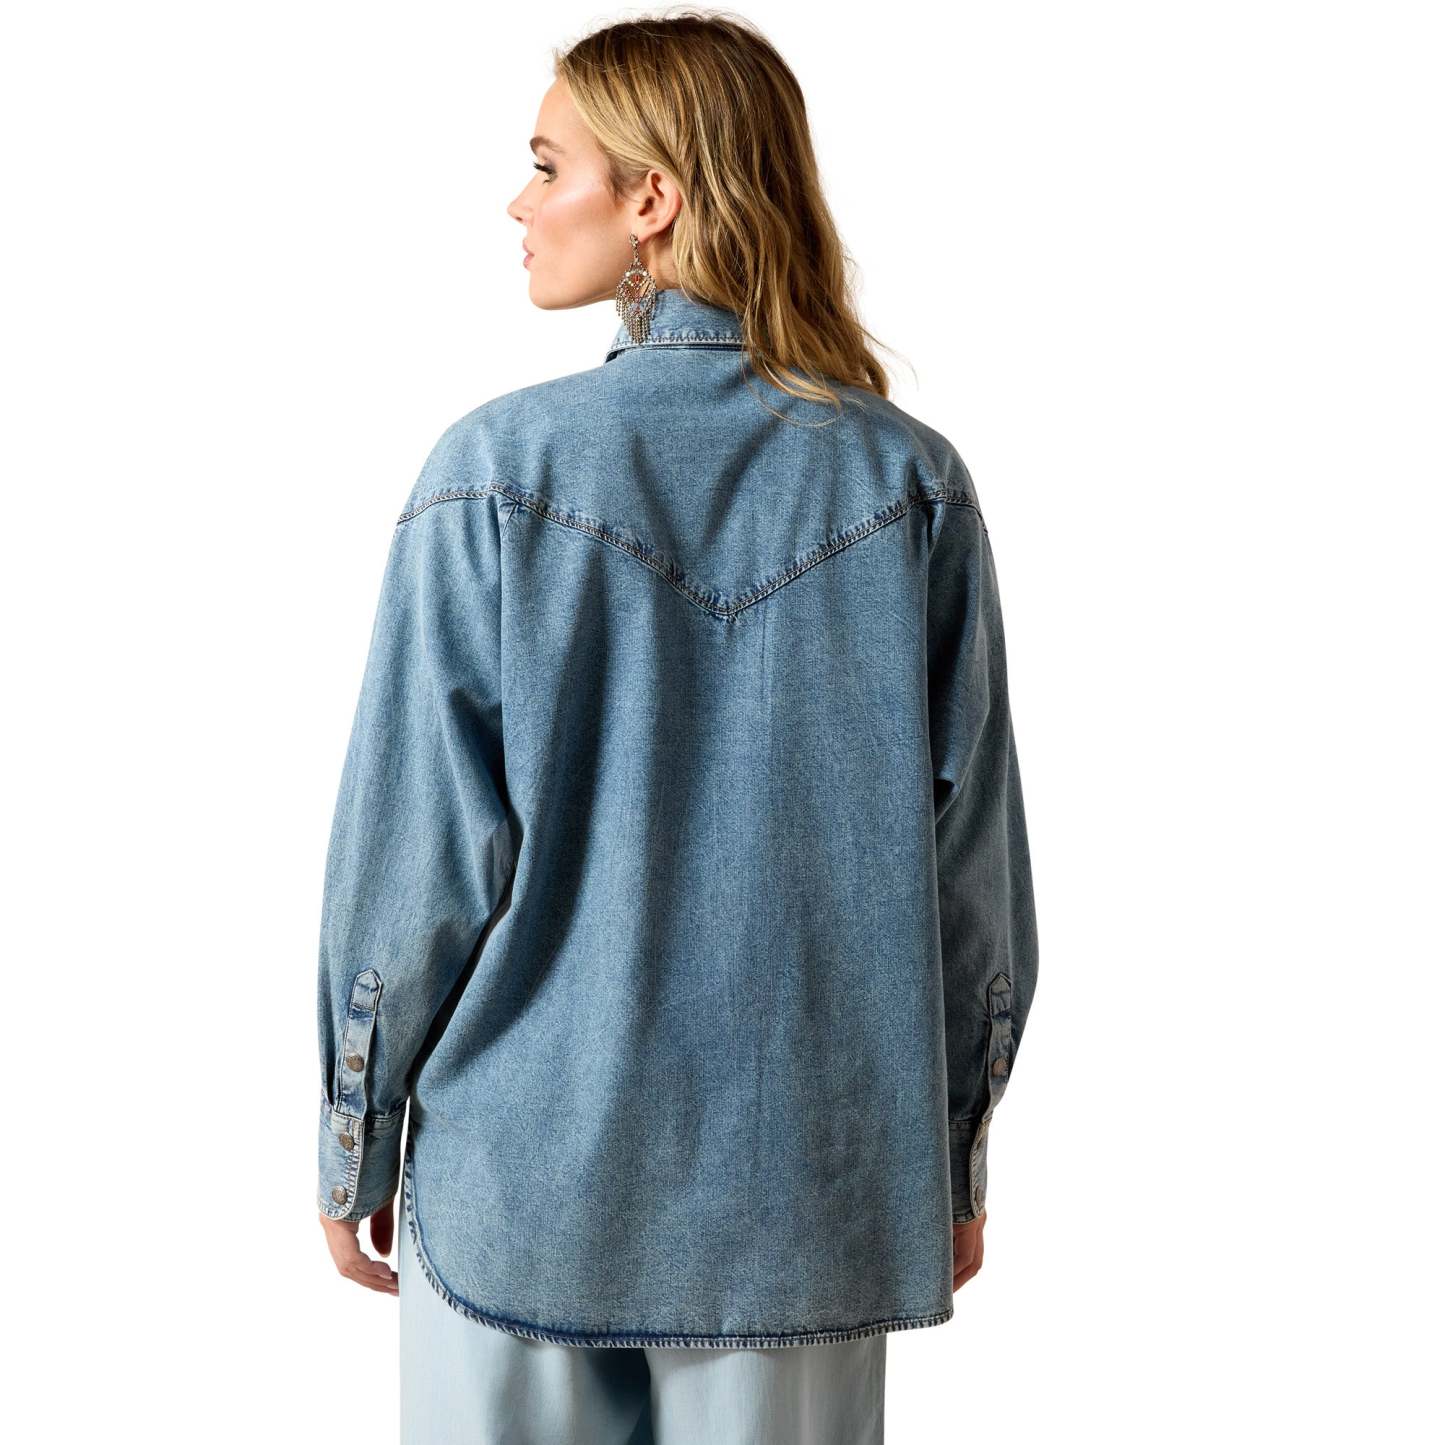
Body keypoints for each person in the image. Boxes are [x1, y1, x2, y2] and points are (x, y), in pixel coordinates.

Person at [314, 11, 1039, 1442]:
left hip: (521, 1177)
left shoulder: (495, 472)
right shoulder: (907, 484)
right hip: (810, 1192)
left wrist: (356, 1130)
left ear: (651, 198)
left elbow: (415, 855)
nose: (518, 203)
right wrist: (950, 1149)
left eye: (546, 166)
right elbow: (973, 877)